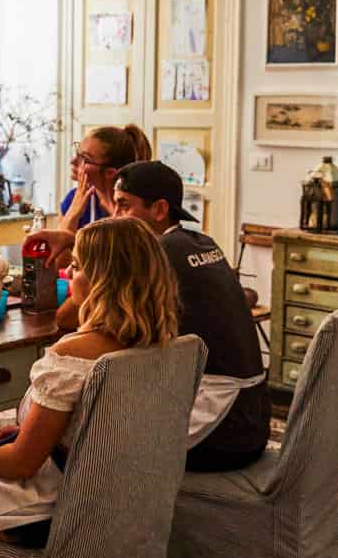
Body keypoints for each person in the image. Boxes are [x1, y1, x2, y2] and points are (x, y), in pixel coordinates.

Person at [0, 217, 181, 555]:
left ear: (103, 281)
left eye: (76, 267)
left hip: (54, 506)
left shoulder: (73, 356)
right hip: (119, 494)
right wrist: (38, 432)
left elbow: (20, 465)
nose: (67, 273)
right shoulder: (164, 343)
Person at [39, 161, 269, 472]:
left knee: (71, 440)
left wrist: (79, 259)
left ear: (159, 210)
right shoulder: (198, 242)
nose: (115, 216)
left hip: (222, 427)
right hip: (252, 414)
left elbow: (68, 318)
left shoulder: (159, 255)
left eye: (124, 205)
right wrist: (74, 242)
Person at [58, 124, 151, 232]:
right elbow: (59, 241)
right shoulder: (73, 198)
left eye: (84, 158)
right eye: (77, 154)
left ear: (110, 173)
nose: (73, 161)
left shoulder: (138, 206)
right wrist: (74, 210)